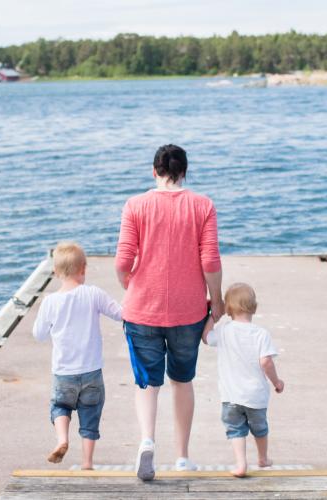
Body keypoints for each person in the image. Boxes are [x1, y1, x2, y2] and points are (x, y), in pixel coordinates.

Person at [116, 144, 223, 480]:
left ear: (154, 172)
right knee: (182, 381)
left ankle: (147, 441)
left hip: (142, 309)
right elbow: (210, 261)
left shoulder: (135, 205)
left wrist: (130, 284)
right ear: (185, 171)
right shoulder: (203, 205)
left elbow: (122, 261)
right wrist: (216, 301)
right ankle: (182, 457)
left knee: (148, 384)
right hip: (189, 311)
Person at [32, 241, 123, 470]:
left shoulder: (50, 302)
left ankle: (62, 439)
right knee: (90, 416)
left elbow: (39, 335)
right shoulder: (93, 294)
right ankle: (87, 462)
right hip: (91, 371)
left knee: (60, 406)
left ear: (55, 272)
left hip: (64, 372)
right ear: (83, 268)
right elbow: (121, 314)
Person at [203, 283, 283, 478]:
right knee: (260, 428)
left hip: (230, 396)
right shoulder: (261, 334)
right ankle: (263, 458)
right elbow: (266, 362)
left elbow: (206, 337)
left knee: (235, 430)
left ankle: (240, 464)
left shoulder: (224, 331)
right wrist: (276, 382)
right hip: (255, 395)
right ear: (254, 305)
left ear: (228, 308)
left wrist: (213, 316)